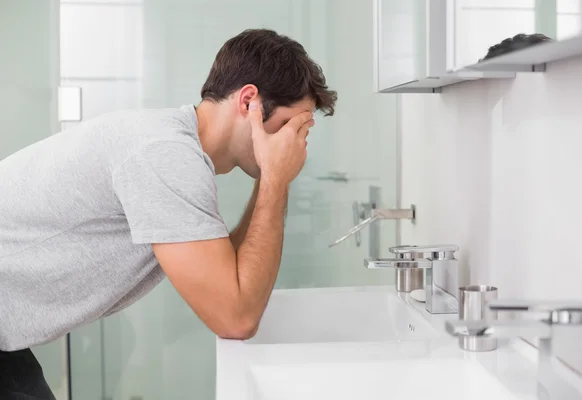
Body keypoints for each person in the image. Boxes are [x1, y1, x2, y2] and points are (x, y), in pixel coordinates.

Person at [0, 28, 337, 399]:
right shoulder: (164, 152)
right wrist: (275, 177)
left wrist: (273, 176)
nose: (297, 141)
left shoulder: (174, 147)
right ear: (249, 102)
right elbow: (235, 317)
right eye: (293, 125)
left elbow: (234, 275)